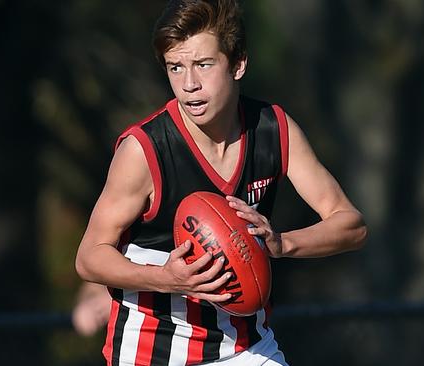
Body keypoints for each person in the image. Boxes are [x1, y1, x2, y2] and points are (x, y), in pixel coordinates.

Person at [75, 0, 367, 364]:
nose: (189, 84)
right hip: (154, 352)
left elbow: (351, 225)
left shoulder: (273, 130)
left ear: (238, 63)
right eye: (176, 68)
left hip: (247, 347)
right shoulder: (145, 150)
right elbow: (89, 258)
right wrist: (167, 279)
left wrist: (282, 243)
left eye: (203, 64)